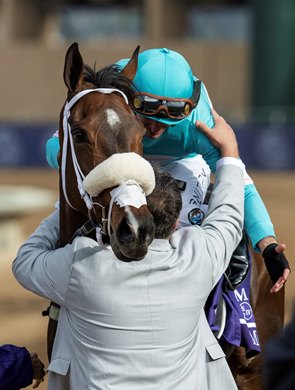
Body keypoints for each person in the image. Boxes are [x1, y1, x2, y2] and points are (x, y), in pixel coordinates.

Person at [13, 111, 243, 389]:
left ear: (122, 218)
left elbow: (25, 261)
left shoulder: (82, 264)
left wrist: (73, 204)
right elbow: (229, 215)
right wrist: (229, 153)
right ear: (174, 225)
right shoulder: (198, 257)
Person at [45, 47, 290, 293]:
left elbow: (238, 180)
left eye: (169, 120)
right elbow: (57, 145)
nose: (155, 128)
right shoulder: (111, 92)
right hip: (124, 156)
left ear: (188, 108)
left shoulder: (198, 123)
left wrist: (267, 242)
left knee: (171, 225)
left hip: (183, 162)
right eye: (147, 116)